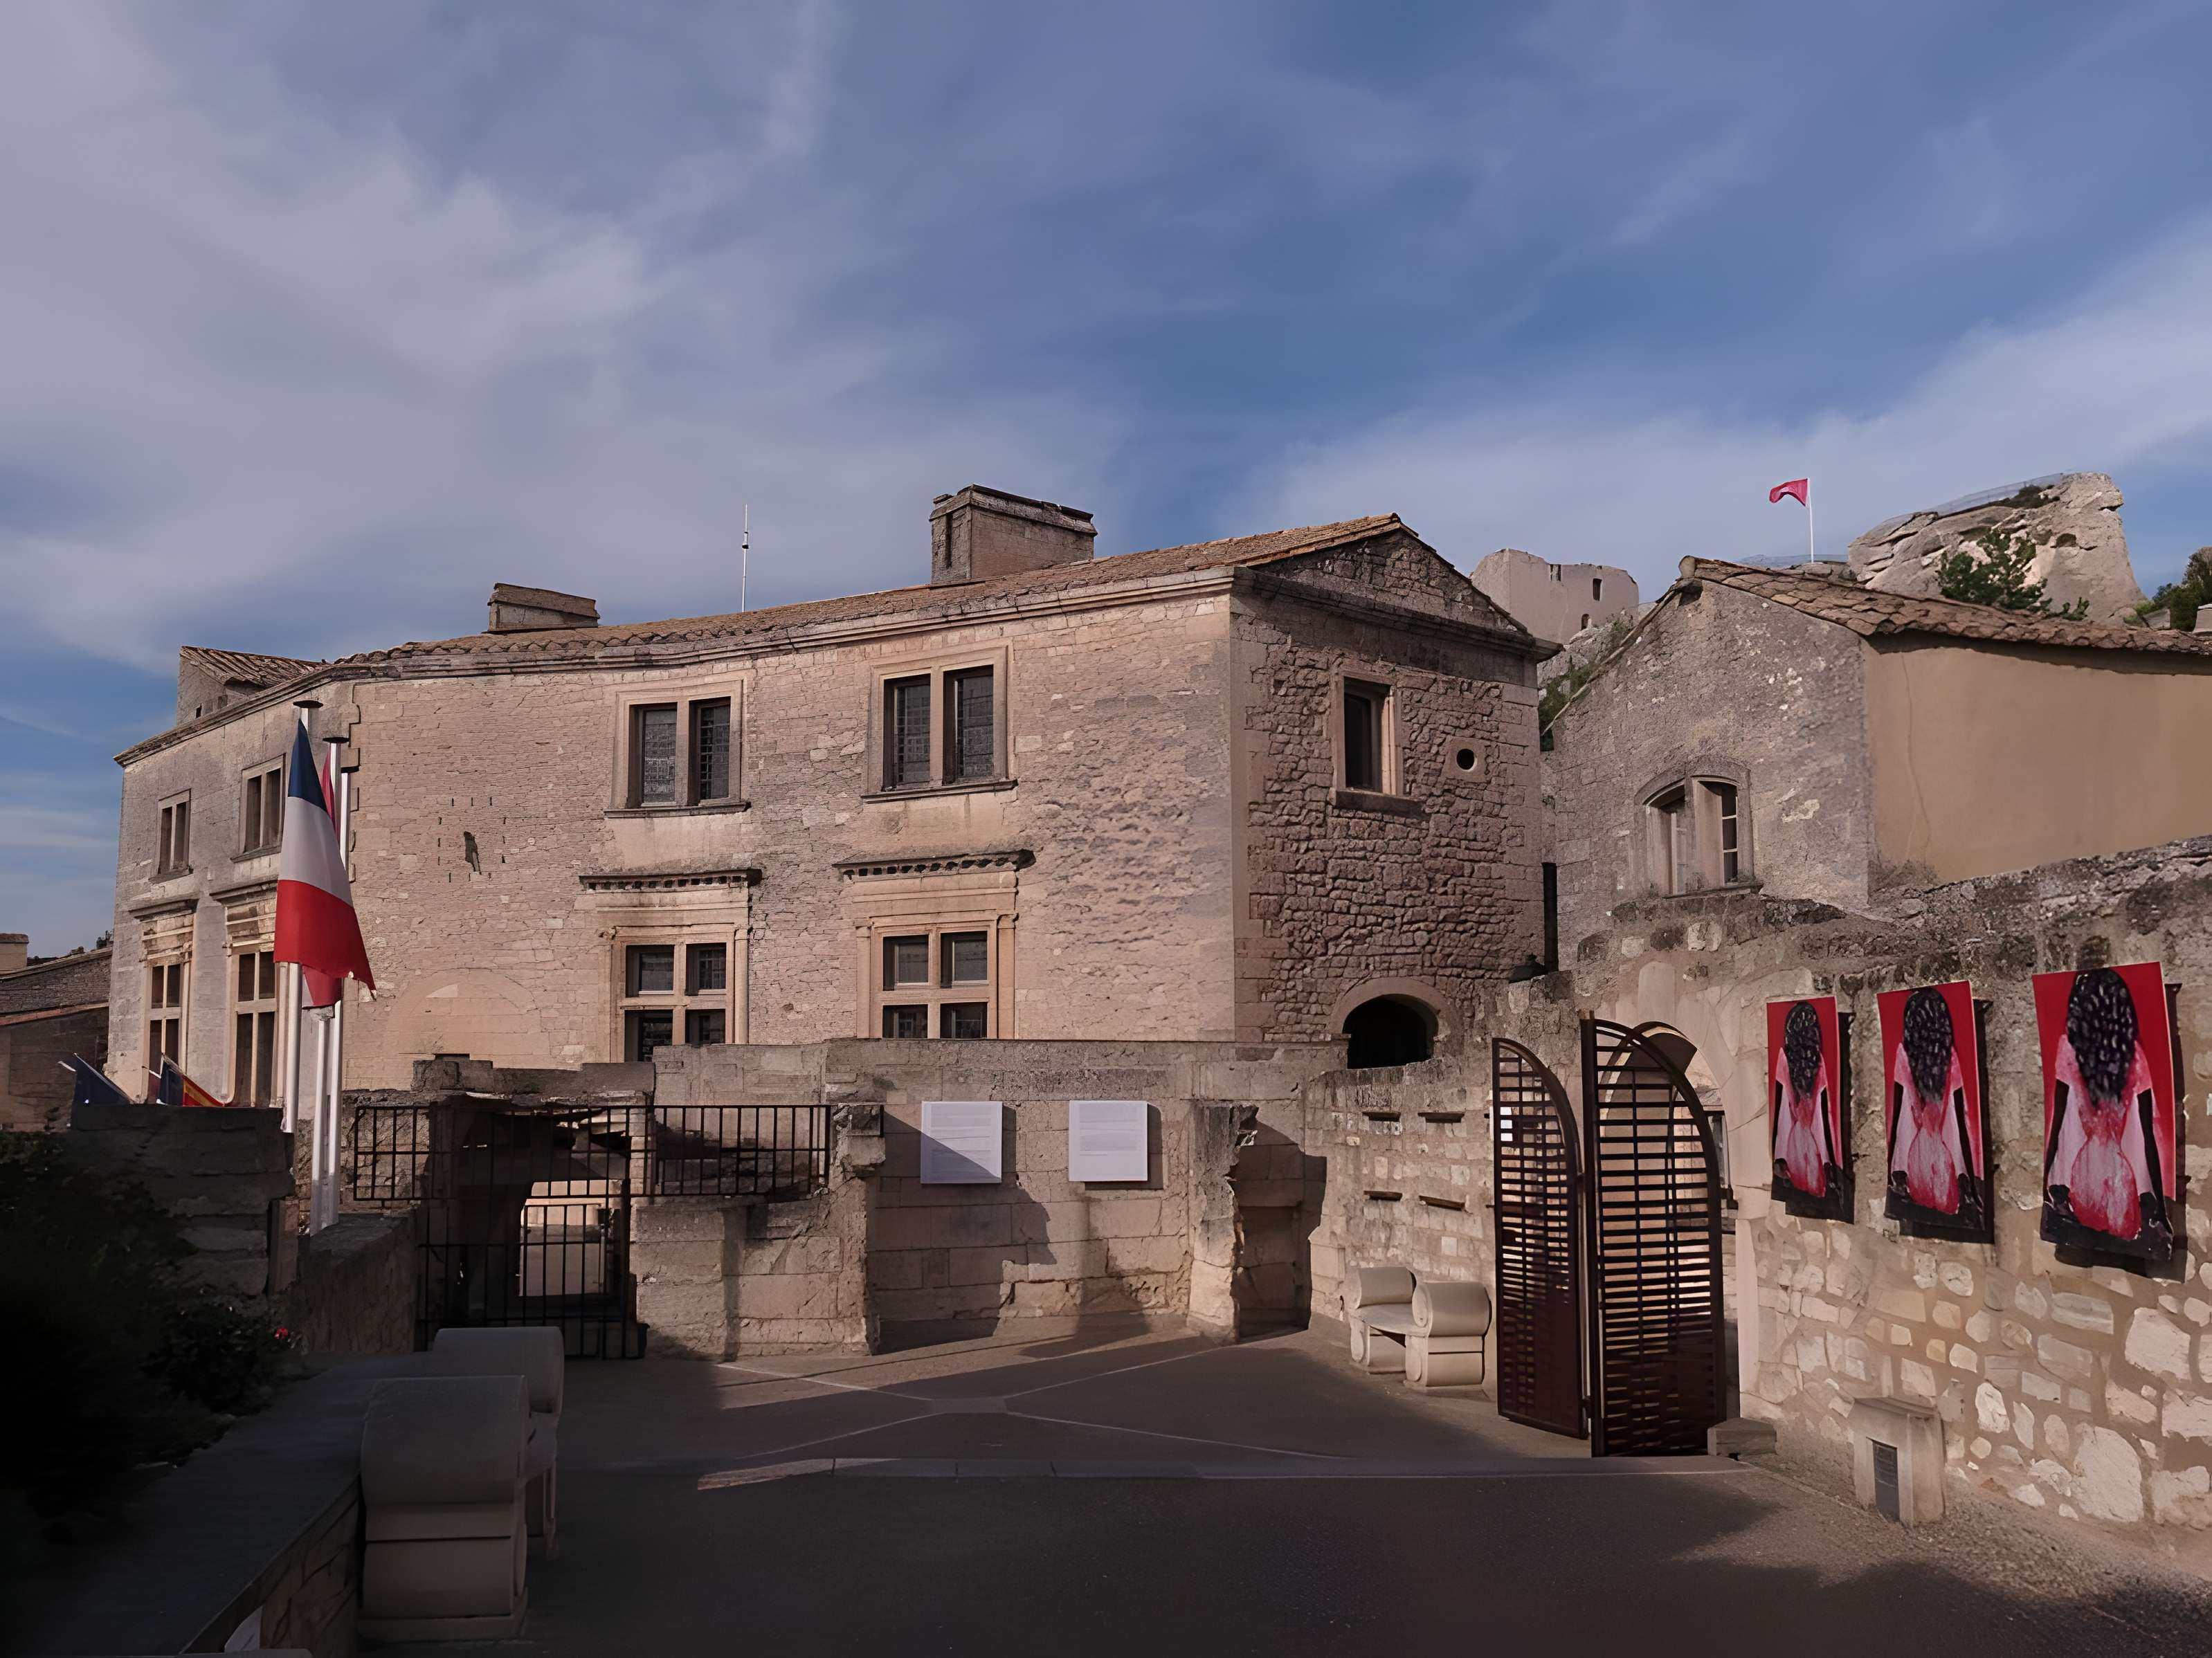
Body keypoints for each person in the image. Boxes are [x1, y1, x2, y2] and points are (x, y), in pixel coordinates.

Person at [2044, 967, 2172, 1259]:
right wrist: (2163, 1213)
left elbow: (2057, 1121)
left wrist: (2045, 1184)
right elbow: (2149, 1138)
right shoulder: (2135, 1058)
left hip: (2084, 1177)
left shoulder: (2068, 1050)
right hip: (2118, 1185)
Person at [1886, 988, 1984, 1228]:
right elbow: (1960, 1122)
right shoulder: (1949, 1058)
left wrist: (1891, 1165)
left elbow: (1897, 1111)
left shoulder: (1903, 1054)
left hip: (1914, 1168)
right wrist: (1970, 1182)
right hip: (1945, 1174)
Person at [1772, 1001, 1840, 1202]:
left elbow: (1784, 1113)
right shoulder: (1818, 1064)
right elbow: (1821, 1116)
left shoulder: (1785, 1060)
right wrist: (1827, 1160)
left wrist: (1780, 1156)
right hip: (1811, 1146)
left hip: (1796, 1143)